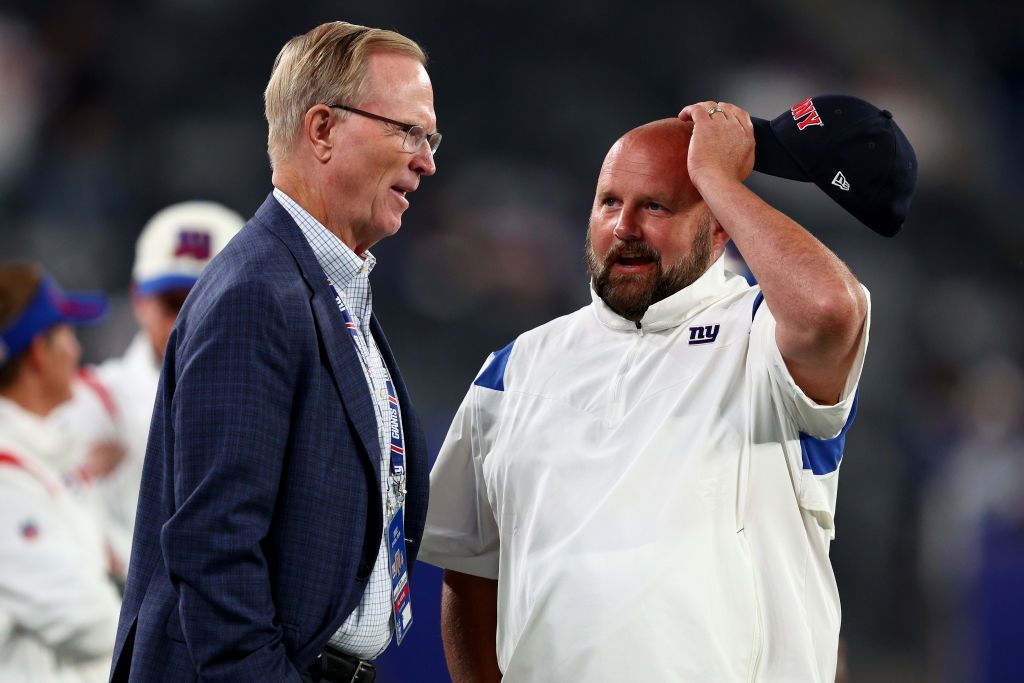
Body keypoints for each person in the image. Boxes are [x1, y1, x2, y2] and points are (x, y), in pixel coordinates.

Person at [420, 100, 879, 681]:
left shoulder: (765, 336)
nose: (624, 227)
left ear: (720, 225)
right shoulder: (513, 370)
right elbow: (469, 572)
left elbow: (832, 307)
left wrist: (716, 174)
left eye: (655, 206)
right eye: (609, 201)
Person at [111, 21, 437, 682]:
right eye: (408, 131)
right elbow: (214, 551)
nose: (427, 160)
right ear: (322, 129)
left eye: (430, 138)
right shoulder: (257, 294)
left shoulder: (326, 288)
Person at [49, 200, 243, 574]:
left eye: (212, 301)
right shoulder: (95, 400)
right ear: (139, 300)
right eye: (173, 304)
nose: (191, 321)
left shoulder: (293, 397)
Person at [0, 262, 122, 682]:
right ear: (38, 352)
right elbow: (87, 621)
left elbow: (116, 561)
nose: (75, 349)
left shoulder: (49, 457)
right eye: (66, 333)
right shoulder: (6, 475)